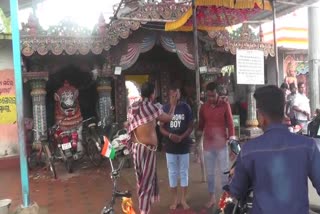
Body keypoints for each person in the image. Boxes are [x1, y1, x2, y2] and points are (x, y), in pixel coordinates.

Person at [229, 85, 320, 214]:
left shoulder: (249, 150)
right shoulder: (308, 146)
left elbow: (236, 191)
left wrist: (234, 175)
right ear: (282, 110)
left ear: (261, 116)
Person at [126, 82, 177, 214]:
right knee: (146, 182)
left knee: (141, 181)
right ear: (152, 94)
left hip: (136, 148)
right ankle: (144, 211)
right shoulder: (151, 108)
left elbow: (129, 124)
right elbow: (168, 118)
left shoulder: (133, 107)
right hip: (147, 150)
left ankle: (145, 207)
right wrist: (173, 104)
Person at [197, 82, 236, 208]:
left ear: (218, 94)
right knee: (210, 173)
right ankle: (212, 198)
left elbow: (230, 124)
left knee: (225, 173)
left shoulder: (225, 105)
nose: (211, 99)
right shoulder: (203, 107)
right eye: (208, 96)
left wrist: (232, 144)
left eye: (213, 96)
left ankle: (225, 199)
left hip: (221, 145)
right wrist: (196, 141)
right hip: (208, 145)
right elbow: (201, 125)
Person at [159, 85, 193, 210]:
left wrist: (182, 136)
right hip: (170, 147)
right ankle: (175, 199)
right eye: (172, 94)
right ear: (169, 95)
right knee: (172, 173)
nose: (175, 96)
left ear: (179, 94)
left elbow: (190, 126)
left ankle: (183, 199)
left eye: (177, 94)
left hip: (184, 146)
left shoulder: (186, 107)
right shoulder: (165, 108)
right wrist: (171, 135)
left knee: (184, 172)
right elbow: (161, 128)